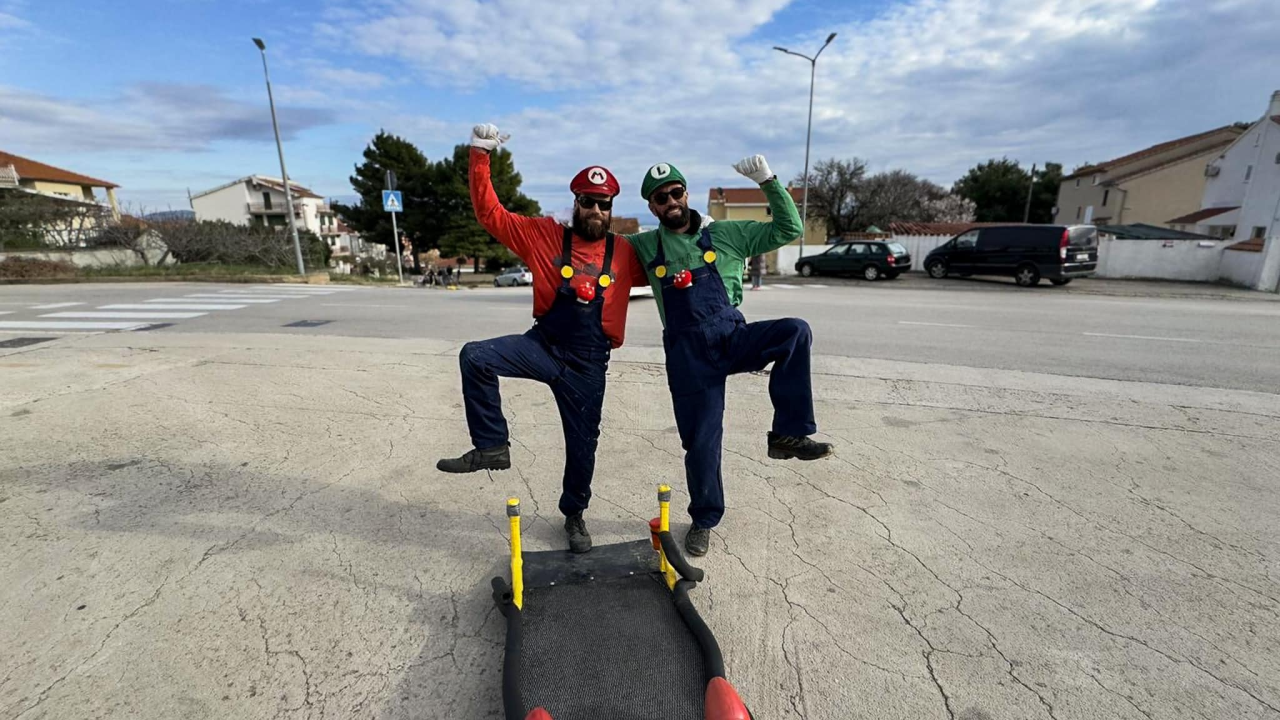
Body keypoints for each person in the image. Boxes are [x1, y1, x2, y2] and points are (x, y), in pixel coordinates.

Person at [437, 123, 643, 554]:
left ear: (611, 208)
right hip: (543, 346)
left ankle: (574, 515)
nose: (595, 211)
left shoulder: (627, 251)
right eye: (588, 202)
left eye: (603, 205)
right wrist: (479, 154)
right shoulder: (544, 235)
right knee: (476, 357)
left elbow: (677, 259)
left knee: (583, 445)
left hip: (589, 363)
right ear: (576, 203)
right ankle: (492, 446)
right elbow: (490, 214)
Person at [625, 155, 834, 557]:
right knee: (701, 442)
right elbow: (594, 247)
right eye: (659, 197)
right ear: (651, 207)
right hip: (687, 357)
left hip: (730, 337)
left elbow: (789, 228)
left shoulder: (726, 234)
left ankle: (787, 434)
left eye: (674, 192)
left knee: (795, 331)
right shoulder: (645, 244)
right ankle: (704, 518)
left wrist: (768, 181)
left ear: (685, 193)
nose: (669, 201)